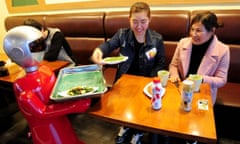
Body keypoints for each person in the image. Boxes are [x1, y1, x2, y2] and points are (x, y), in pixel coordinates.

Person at [91, 2, 165, 144]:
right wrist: (99, 51)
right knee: (124, 107)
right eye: (135, 21)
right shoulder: (122, 35)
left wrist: (151, 79)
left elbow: (161, 62)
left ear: (150, 20)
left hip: (146, 81)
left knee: (142, 108)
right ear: (129, 19)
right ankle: (126, 126)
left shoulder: (157, 39)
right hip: (124, 80)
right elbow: (108, 45)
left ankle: (138, 131)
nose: (139, 26)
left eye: (143, 22)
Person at [3, 25, 91, 144]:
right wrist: (73, 106)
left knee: (68, 136)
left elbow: (56, 93)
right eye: (36, 46)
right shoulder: (22, 84)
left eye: (42, 44)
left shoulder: (45, 69)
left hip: (60, 119)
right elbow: (41, 112)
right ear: (18, 52)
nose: (42, 49)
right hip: (46, 128)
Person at [169, 11, 230, 144]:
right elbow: (173, 65)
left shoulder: (223, 50)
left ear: (212, 31)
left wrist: (201, 78)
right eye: (192, 29)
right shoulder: (183, 43)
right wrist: (174, 76)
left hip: (202, 94)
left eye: (199, 31)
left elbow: (222, 80)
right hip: (180, 89)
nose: (193, 34)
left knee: (197, 128)